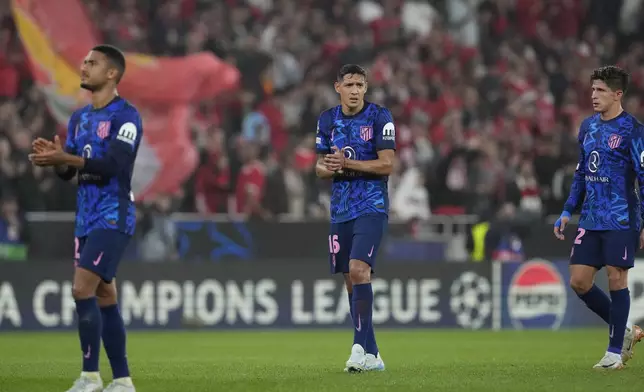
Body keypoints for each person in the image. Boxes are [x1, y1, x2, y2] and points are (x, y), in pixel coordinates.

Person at [29, 44, 140, 391]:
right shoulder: (79, 118)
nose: (83, 67)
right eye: (84, 62)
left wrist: (67, 158)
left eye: (92, 63)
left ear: (112, 74)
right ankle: (122, 381)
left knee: (81, 289)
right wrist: (58, 160)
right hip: (86, 216)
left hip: (113, 212)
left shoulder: (127, 116)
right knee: (105, 296)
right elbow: (69, 174)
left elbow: (111, 166)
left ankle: (90, 376)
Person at [554, 65, 644, 370]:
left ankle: (614, 353)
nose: (593, 95)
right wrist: (568, 209)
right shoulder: (587, 127)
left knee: (617, 279)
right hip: (591, 218)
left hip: (621, 218)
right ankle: (628, 331)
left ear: (618, 94)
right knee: (579, 281)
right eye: (593, 89)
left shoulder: (633, 131)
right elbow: (581, 172)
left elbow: (643, 179)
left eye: (601, 90)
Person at [315, 64, 396, 372]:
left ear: (365, 88)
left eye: (360, 85)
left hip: (372, 206)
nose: (354, 90)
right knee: (351, 280)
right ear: (338, 87)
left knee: (360, 269)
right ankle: (373, 354)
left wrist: (347, 163)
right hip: (340, 209)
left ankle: (358, 349)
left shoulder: (379, 117)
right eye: (349, 84)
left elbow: (386, 164)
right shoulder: (326, 120)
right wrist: (331, 166)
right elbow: (320, 168)